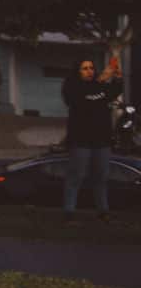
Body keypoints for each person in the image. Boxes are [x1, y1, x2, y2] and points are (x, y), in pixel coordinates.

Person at [62, 55, 124, 222]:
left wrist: (117, 76)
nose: (89, 71)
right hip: (80, 140)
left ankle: (103, 211)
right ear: (78, 71)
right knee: (76, 176)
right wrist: (100, 80)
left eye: (91, 68)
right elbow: (84, 100)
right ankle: (69, 212)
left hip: (102, 140)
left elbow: (116, 90)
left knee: (101, 177)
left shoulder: (101, 86)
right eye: (85, 68)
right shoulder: (72, 87)